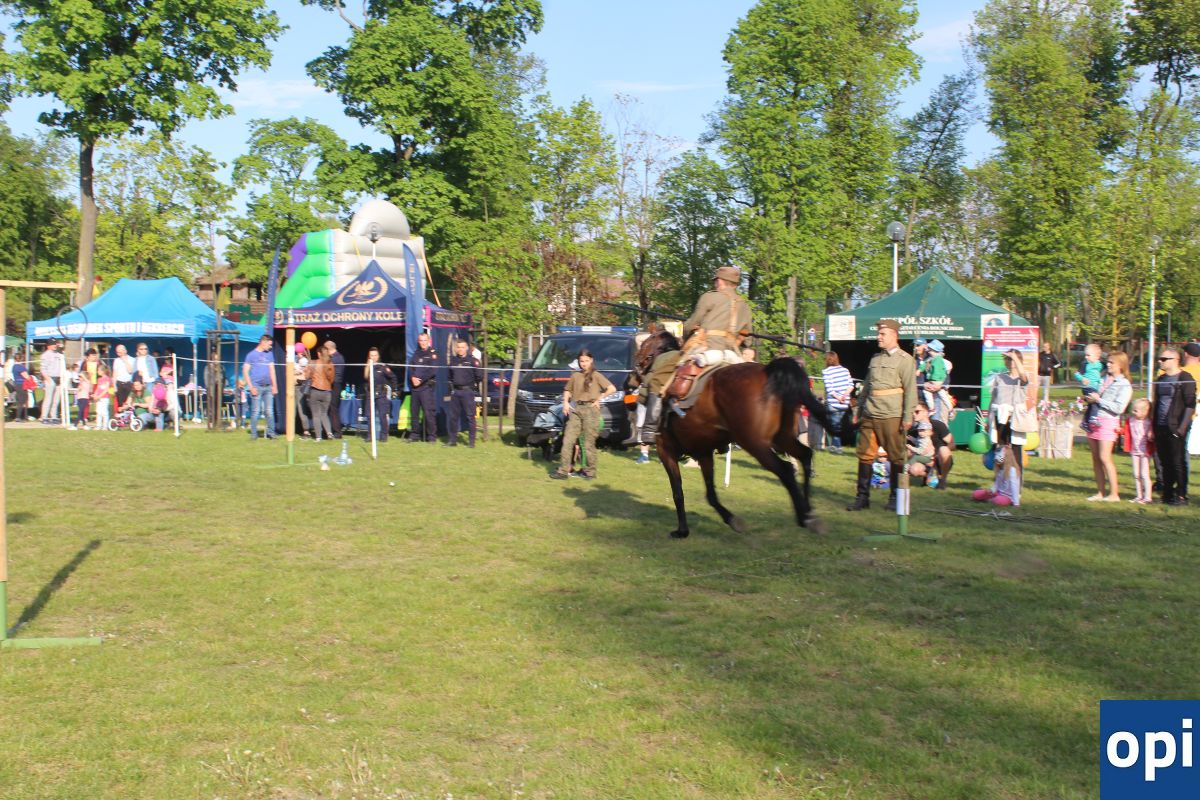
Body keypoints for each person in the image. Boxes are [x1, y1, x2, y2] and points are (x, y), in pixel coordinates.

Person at [847, 319, 917, 511]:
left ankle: (895, 497)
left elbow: (911, 390)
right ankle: (862, 497)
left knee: (896, 457)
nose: (878, 337)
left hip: (892, 414)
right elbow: (867, 386)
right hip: (870, 412)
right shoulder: (875, 359)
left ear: (894, 335)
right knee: (865, 455)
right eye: (878, 333)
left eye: (882, 334)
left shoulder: (905, 360)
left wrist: (907, 416)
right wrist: (858, 409)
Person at [665, 265, 751, 413]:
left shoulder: (709, 297)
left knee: (667, 371)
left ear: (720, 281)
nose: (715, 283)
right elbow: (747, 337)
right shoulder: (745, 306)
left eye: (716, 280)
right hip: (732, 353)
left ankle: (655, 419)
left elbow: (692, 322)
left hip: (706, 347)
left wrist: (685, 335)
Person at [550, 349, 618, 480]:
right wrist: (565, 403)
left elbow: (612, 389)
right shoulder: (575, 376)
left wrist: (599, 398)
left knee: (588, 443)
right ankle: (563, 471)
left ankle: (590, 472)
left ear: (591, 360)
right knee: (567, 440)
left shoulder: (596, 375)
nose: (584, 363)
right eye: (581, 361)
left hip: (590, 410)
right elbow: (567, 390)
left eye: (586, 361)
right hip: (576, 409)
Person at [1084, 351, 1132, 502]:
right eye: (1108, 362)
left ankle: (1114, 494)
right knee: (1096, 458)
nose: (1108, 365)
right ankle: (1100, 492)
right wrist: (1090, 397)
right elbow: (1096, 395)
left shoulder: (1124, 384)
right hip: (1094, 419)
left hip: (1108, 421)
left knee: (1105, 457)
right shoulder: (1103, 378)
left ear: (1121, 365)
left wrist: (1099, 400)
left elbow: (1119, 408)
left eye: (1112, 362)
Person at [1152, 347, 1196, 506]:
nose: (1160, 361)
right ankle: (1168, 493)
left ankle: (1182, 495)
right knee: (1165, 462)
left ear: (1175, 360)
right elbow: (1156, 403)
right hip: (1160, 425)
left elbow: (1190, 405)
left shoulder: (1185, 378)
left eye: (1164, 359)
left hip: (1176, 426)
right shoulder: (1161, 378)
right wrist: (1152, 426)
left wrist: (1181, 428)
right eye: (1160, 358)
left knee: (1178, 462)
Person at [635, 344, 681, 464]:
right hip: (665, 393)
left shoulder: (659, 358)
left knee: (646, 424)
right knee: (664, 426)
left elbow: (649, 375)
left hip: (652, 392)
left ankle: (644, 455)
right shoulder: (679, 356)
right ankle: (665, 454)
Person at [907, 401, 954, 489]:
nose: (913, 414)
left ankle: (942, 479)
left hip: (940, 460)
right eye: (912, 412)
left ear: (926, 412)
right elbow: (909, 452)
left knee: (944, 450)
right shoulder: (913, 431)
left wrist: (936, 456)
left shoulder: (938, 425)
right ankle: (929, 477)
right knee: (914, 470)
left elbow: (952, 444)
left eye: (917, 411)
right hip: (925, 460)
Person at [444, 339, 482, 447]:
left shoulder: (473, 361)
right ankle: (452, 441)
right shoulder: (453, 361)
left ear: (466, 348)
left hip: (467, 392)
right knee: (453, 417)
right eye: (458, 347)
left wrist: (472, 386)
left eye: (462, 347)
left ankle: (471, 442)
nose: (460, 349)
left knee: (470, 417)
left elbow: (479, 376)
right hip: (455, 392)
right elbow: (449, 376)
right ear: (456, 348)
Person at [243, 335, 278, 440]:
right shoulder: (251, 355)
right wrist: (251, 387)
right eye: (269, 344)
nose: (270, 347)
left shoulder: (270, 354)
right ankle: (254, 434)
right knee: (256, 411)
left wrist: (275, 386)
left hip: (268, 387)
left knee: (269, 411)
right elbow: (245, 371)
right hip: (256, 387)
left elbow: (272, 370)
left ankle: (271, 433)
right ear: (263, 342)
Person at [407, 332, 439, 443]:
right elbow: (410, 368)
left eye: (425, 340)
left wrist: (420, 380)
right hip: (415, 388)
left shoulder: (432, 354)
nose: (423, 343)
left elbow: (432, 370)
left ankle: (431, 437)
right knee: (414, 413)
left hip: (426, 387)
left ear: (429, 341)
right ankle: (415, 435)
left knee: (428, 413)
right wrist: (412, 378)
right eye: (421, 340)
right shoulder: (416, 353)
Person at [821, 351, 853, 455]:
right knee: (838, 425)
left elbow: (829, 389)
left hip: (834, 402)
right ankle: (834, 446)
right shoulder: (845, 370)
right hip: (844, 403)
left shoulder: (826, 372)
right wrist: (844, 396)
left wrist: (839, 398)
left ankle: (837, 447)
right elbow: (851, 385)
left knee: (835, 425)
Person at [363, 346, 397, 442]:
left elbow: (393, 377)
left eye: (375, 355)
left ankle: (384, 436)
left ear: (378, 356)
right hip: (370, 393)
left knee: (382, 415)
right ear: (369, 357)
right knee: (369, 415)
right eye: (371, 355)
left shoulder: (383, 367)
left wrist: (394, 389)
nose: (373, 357)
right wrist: (368, 366)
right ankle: (370, 435)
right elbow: (365, 377)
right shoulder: (368, 367)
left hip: (381, 393)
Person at [1126, 397, 1154, 504]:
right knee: (1136, 474)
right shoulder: (1131, 420)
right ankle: (1139, 495)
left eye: (1135, 410)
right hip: (1134, 451)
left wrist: (1151, 436)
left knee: (1144, 474)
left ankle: (1148, 497)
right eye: (1133, 410)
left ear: (1144, 412)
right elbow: (1127, 431)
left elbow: (1151, 435)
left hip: (1144, 452)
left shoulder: (1148, 422)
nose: (1133, 412)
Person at [306, 347, 336, 442]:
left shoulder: (313, 363)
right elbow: (332, 380)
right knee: (324, 414)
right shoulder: (330, 365)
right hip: (327, 392)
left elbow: (307, 376)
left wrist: (308, 368)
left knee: (316, 415)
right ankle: (329, 433)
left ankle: (318, 437)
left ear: (319, 354)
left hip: (315, 390)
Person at [1073, 343, 1104, 433]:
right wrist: (1082, 379)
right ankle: (1093, 418)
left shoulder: (1099, 364)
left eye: (1088, 355)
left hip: (1095, 387)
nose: (1086, 357)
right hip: (1088, 387)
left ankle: (1085, 423)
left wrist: (1100, 381)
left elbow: (1098, 374)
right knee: (1095, 401)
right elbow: (1077, 374)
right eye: (1085, 355)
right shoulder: (1085, 364)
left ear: (1097, 356)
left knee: (1091, 405)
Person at [923, 339, 950, 422]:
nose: (928, 351)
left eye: (930, 349)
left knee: (940, 395)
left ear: (935, 351)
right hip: (933, 385)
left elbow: (943, 374)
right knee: (942, 396)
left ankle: (933, 409)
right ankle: (950, 408)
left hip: (936, 384)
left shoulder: (938, 360)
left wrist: (937, 383)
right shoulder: (929, 360)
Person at [39, 338, 64, 423]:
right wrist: (48, 379)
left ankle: (54, 416)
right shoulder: (45, 355)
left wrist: (61, 348)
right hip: (50, 378)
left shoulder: (59, 354)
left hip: (58, 378)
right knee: (48, 399)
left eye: (55, 344)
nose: (55, 345)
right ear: (48, 345)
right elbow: (43, 369)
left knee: (56, 400)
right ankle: (44, 417)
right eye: (53, 344)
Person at [324, 340, 345, 439]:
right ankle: (332, 430)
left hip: (334, 384)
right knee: (332, 408)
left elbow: (329, 372)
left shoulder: (335, 359)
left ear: (328, 348)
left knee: (333, 408)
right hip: (336, 384)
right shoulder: (340, 357)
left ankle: (337, 431)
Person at [9, 352, 32, 422]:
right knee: (23, 401)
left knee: (20, 401)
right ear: (21, 358)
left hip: (17, 384)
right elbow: (26, 376)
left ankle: (23, 416)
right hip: (22, 385)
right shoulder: (20, 367)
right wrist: (30, 379)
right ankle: (20, 417)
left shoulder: (14, 366)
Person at [93, 363, 113, 430]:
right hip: (99, 398)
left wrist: (99, 396)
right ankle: (98, 425)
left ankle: (105, 426)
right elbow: (98, 388)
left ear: (103, 371)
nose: (97, 372)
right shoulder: (99, 379)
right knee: (98, 412)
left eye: (99, 370)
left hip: (104, 398)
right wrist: (95, 395)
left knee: (104, 412)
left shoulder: (107, 379)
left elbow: (106, 389)